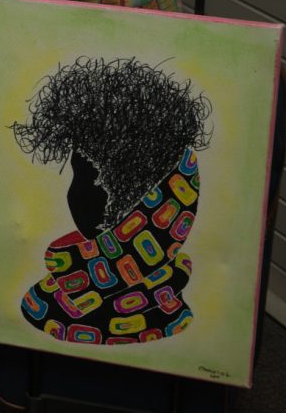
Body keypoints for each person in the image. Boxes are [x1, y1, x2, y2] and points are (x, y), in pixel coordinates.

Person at [11, 56, 211, 344]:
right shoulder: (44, 300)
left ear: (135, 201)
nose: (72, 194)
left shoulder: (46, 308)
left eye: (84, 177)